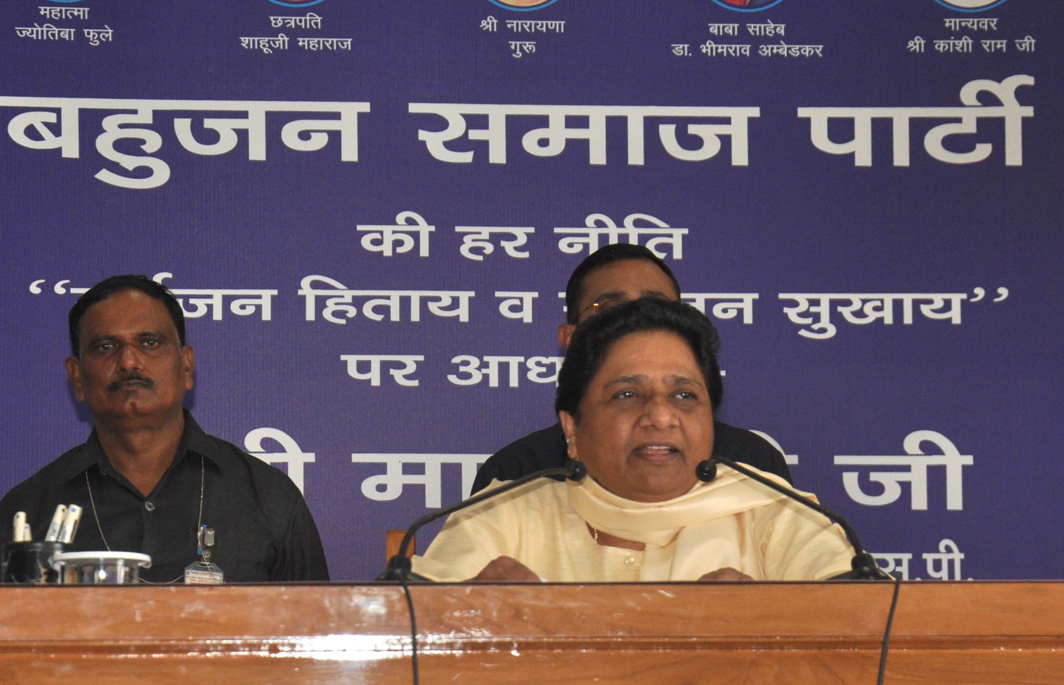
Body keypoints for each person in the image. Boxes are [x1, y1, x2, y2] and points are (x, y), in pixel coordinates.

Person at [412, 298, 853, 582]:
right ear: (572, 429)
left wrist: (768, 621)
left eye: (685, 395)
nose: (661, 416)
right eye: (626, 395)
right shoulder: (504, 514)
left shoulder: (776, 514)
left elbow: (866, 624)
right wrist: (469, 615)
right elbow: (411, 632)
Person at [0, 275, 328, 582]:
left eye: (149, 342)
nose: (129, 362)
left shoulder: (268, 498)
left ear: (186, 366)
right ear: (77, 377)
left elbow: (318, 636)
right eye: (105, 347)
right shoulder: (26, 513)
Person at [471, 243, 791, 494]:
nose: (635, 323)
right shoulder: (515, 474)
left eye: (657, 308)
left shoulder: (751, 464)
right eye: (611, 309)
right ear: (571, 338)